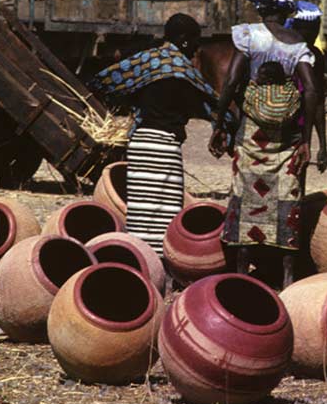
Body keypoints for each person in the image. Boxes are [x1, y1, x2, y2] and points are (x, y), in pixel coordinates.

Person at [210, 0, 322, 289]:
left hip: (252, 135)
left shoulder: (249, 36)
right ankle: (286, 276)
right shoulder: (298, 43)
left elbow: (232, 81)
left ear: (261, 9)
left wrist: (219, 123)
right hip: (287, 136)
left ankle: (243, 273)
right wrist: (307, 140)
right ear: (286, 12)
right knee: (287, 198)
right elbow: (311, 90)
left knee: (247, 195)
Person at [89, 13, 228, 256]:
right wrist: (224, 127)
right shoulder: (184, 71)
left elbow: (103, 82)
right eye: (195, 41)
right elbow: (212, 104)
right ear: (184, 39)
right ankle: (161, 264)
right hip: (165, 148)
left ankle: (140, 260)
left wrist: (132, 103)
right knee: (166, 213)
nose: (197, 48)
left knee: (140, 212)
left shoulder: (144, 62)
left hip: (140, 146)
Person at [285, 0, 327, 172]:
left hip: (301, 127)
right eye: (308, 28)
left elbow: (318, 102)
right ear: (296, 27)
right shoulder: (282, 50)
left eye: (316, 27)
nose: (313, 33)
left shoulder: (316, 56)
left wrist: (323, 146)